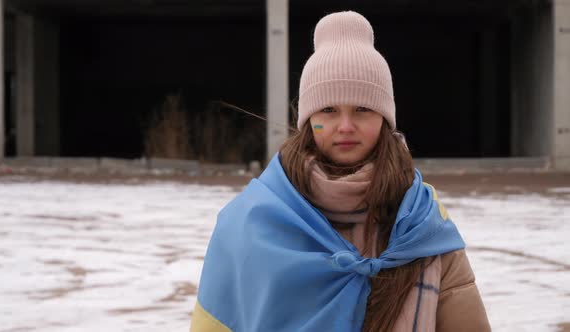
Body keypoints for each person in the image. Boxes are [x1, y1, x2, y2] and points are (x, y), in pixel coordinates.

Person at [190, 11, 490, 332]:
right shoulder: (250, 221)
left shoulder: (423, 220)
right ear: (308, 120)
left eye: (362, 109)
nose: (345, 127)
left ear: (385, 119)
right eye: (329, 110)